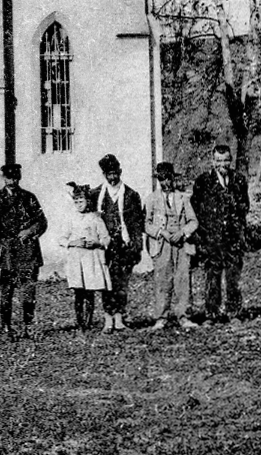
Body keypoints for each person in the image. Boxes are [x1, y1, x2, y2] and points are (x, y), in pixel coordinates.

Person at [191, 142, 251, 322]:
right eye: (218, 161)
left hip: (233, 237)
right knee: (212, 276)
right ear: (212, 160)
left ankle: (234, 312)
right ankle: (212, 313)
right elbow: (196, 209)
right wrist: (203, 236)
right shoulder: (203, 181)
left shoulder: (239, 180)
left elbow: (245, 207)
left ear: (230, 160)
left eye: (225, 161)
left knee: (233, 277)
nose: (222, 165)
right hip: (212, 237)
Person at [0, 162, 48, 339]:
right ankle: (6, 327)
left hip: (28, 251)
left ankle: (28, 326)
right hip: (8, 252)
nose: (12, 180)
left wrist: (30, 231)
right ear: (3, 178)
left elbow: (42, 221)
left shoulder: (29, 197)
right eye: (8, 177)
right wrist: (14, 235)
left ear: (19, 178)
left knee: (28, 290)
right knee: (7, 291)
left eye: (15, 177)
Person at [90, 153, 145, 331]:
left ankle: (120, 318)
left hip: (124, 247)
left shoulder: (131, 195)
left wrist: (137, 247)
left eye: (115, 173)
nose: (112, 177)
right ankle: (108, 318)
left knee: (122, 283)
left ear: (120, 172)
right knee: (107, 283)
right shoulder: (96, 194)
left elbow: (137, 224)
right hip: (105, 248)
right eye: (109, 174)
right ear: (104, 175)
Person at [144, 161, 198, 332]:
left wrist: (183, 232)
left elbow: (193, 221)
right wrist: (162, 233)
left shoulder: (183, 198)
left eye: (168, 179)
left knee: (183, 279)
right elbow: (146, 224)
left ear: (173, 178)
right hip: (162, 244)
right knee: (162, 279)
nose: (166, 183)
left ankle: (184, 316)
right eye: (162, 179)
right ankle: (161, 317)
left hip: (181, 243)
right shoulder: (151, 199)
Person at [60, 182, 111, 332]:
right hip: (76, 259)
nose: (78, 205)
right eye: (76, 202)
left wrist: (96, 243)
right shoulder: (71, 219)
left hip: (91, 259)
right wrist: (72, 242)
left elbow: (106, 238)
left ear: (88, 201)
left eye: (81, 201)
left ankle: (88, 321)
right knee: (78, 291)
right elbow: (61, 238)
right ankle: (80, 322)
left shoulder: (95, 218)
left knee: (90, 290)